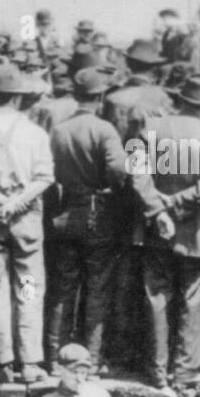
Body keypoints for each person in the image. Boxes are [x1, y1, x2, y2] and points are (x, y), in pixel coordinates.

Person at [129, 74, 200, 395]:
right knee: (194, 300)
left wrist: (159, 210)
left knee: (157, 297)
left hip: (156, 230)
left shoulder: (149, 131)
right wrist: (178, 203)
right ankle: (184, 376)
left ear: (179, 100)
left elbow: (137, 174)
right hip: (196, 231)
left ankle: (156, 372)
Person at [0, 66, 55, 383]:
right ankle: (30, 361)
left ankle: (2, 361)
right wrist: (16, 203)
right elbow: (45, 177)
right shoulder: (35, 133)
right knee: (29, 288)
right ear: (19, 98)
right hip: (26, 217)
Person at [45, 68, 130, 372]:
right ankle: (91, 359)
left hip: (65, 211)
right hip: (98, 215)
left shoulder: (58, 130)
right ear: (100, 96)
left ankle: (55, 358)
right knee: (97, 287)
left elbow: (48, 170)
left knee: (62, 288)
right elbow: (119, 170)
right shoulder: (105, 129)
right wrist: (111, 188)